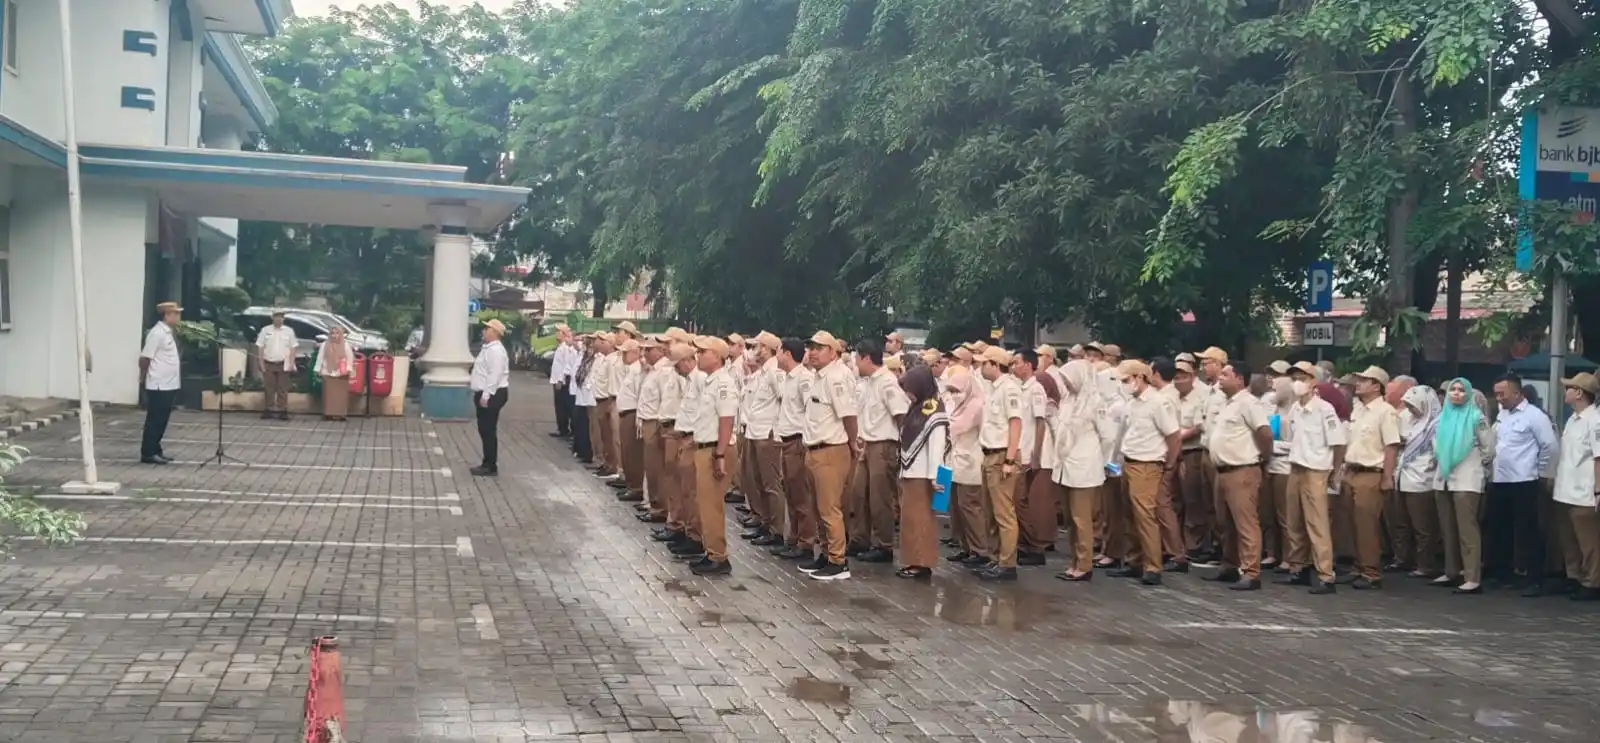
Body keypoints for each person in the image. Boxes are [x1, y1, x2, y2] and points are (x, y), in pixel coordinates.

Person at [1203, 361, 1272, 591]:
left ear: (1240, 379)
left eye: (1226, 374)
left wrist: (1264, 458)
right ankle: (1230, 564)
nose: (1220, 377)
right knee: (1226, 522)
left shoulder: (1249, 403)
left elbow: (1264, 433)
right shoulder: (1226, 403)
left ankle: (1251, 572)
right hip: (1222, 470)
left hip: (1242, 469)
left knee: (1246, 523)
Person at [1489, 373, 1560, 595]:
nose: (1498, 398)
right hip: (1500, 479)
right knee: (1500, 527)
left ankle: (1535, 577)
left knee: (1528, 529)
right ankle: (1504, 573)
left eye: (1503, 394)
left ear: (1517, 393)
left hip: (1524, 479)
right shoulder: (1502, 415)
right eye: (1496, 394)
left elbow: (1549, 446)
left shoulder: (1534, 416)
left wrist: (1540, 471)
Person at [1113, 359, 1181, 586]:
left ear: (1139, 377)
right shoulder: (1131, 403)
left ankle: (1153, 566)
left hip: (1148, 463)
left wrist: (1169, 464)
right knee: (1130, 515)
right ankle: (1134, 561)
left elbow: (1173, 435)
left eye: (1126, 380)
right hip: (1130, 462)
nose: (1123, 384)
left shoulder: (1157, 403)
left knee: (1145, 516)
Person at [1282, 361, 1346, 594]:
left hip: (1316, 470)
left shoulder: (1324, 409)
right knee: (1294, 520)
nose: (1297, 382)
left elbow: (1338, 443)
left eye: (1302, 377)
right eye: (1295, 377)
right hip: (1296, 467)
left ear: (1313, 381)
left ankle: (1325, 574)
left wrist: (1334, 471)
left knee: (1317, 524)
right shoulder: (1295, 408)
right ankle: (1298, 567)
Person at [800, 330, 859, 582]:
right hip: (814, 449)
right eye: (810, 346)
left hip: (830, 450)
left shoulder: (836, 377)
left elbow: (848, 415)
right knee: (817, 507)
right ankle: (825, 553)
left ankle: (838, 560)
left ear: (833, 352)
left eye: (819, 347)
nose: (812, 352)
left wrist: (853, 443)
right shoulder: (819, 376)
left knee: (829, 508)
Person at [849, 339, 910, 563]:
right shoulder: (867, 382)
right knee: (858, 494)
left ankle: (883, 545)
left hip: (883, 444)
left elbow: (901, 415)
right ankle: (859, 539)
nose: (855, 363)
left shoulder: (887, 382)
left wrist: (903, 447)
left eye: (857, 358)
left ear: (866, 358)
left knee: (879, 497)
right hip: (866, 443)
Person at [1051, 359, 1111, 581]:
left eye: (1068, 379)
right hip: (1065, 467)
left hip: (1085, 468)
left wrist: (1099, 461)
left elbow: (1108, 437)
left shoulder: (1096, 402)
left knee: (1081, 518)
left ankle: (1084, 564)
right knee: (1069, 519)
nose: (1066, 384)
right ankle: (1074, 560)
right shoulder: (1069, 401)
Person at [1434, 377, 1495, 594]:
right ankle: (1451, 571)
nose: (1456, 393)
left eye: (1461, 390)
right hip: (1444, 479)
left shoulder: (1477, 417)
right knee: (1448, 529)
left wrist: (1478, 465)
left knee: (1467, 530)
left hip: (1467, 478)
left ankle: (1472, 577)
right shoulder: (1442, 418)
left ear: (1468, 394)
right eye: (1453, 390)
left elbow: (1489, 449)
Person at [1343, 366, 1401, 589]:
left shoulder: (1385, 411)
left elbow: (1391, 446)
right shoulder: (1359, 410)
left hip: (1371, 473)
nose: (1358, 383)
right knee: (1353, 524)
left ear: (1377, 386)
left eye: (1364, 380)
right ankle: (1358, 566)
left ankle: (1371, 571)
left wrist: (1387, 477)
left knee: (1367, 525)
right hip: (1352, 470)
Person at [687, 335, 738, 576]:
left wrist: (719, 455)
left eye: (703, 352)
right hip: (705, 447)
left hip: (716, 449)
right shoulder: (710, 381)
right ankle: (711, 551)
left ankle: (719, 556)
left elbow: (726, 421)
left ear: (717, 356)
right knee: (705, 504)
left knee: (711, 506)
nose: (698, 356)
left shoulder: (724, 383)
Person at [975, 346, 1024, 581]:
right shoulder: (994, 389)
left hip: (1002, 454)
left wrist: (1010, 459)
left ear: (995, 364)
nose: (980, 367)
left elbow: (1015, 424)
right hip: (989, 454)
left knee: (1004, 513)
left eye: (984, 363)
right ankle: (995, 558)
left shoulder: (1010, 389)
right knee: (991, 512)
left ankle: (1007, 563)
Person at [896, 366, 949, 579]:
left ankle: (921, 562)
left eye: (909, 388)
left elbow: (937, 446)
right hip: (911, 472)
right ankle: (912, 560)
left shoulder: (934, 411)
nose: (907, 393)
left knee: (921, 520)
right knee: (910, 520)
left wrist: (936, 477)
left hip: (924, 476)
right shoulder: (917, 407)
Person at [1553, 372, 1600, 601]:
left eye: (1569, 388)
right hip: (1565, 489)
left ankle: (1592, 582)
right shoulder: (1573, 419)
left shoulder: (1596, 420)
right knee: (1568, 538)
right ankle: (1574, 576)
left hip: (1584, 491)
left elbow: (1598, 458)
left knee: (1588, 541)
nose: (1566, 391)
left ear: (1580, 393)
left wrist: (1598, 489)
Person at [771, 337, 817, 559]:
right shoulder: (788, 378)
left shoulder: (804, 379)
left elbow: (810, 410)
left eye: (778, 351)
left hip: (798, 441)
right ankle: (794, 537)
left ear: (788, 354)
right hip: (787, 440)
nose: (776, 356)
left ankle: (806, 542)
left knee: (800, 494)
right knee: (790, 491)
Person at [943, 366, 990, 566]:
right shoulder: (954, 405)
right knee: (955, 507)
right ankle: (965, 547)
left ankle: (979, 550)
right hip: (951, 461)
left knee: (970, 507)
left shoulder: (976, 405)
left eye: (957, 391)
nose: (954, 395)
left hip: (970, 461)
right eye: (951, 391)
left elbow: (957, 427)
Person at [1396, 385, 1442, 579]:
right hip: (1404, 477)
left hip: (1423, 480)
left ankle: (1425, 565)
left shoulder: (1436, 425)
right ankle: (1402, 559)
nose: (1410, 410)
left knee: (1422, 527)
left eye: (1413, 406)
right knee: (1402, 523)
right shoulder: (1412, 422)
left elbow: (1438, 453)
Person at [139, 301, 183, 465]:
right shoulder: (156, 333)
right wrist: (143, 378)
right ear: (167, 315)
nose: (178, 316)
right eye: (175, 313)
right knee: (155, 419)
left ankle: (156, 449)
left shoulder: (168, 332)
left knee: (162, 419)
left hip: (169, 383)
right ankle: (148, 452)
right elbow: (145, 358)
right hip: (158, 383)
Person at [468, 319, 511, 476]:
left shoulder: (496, 351)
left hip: (493, 393)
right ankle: (487, 462)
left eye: (487, 329)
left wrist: (486, 395)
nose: (484, 331)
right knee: (484, 429)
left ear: (494, 332)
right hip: (486, 392)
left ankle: (490, 465)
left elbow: (494, 375)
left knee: (488, 429)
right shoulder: (488, 348)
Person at [614, 339, 646, 499]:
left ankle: (636, 487)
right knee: (627, 452)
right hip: (626, 412)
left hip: (632, 413)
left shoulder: (638, 370)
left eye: (625, 353)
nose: (622, 356)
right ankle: (631, 484)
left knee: (633, 454)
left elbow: (640, 394)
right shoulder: (631, 369)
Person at [255, 310, 298, 420]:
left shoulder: (289, 331)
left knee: (282, 388)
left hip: (283, 363)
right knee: (269, 388)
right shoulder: (265, 330)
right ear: (272, 318)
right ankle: (268, 409)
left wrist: (291, 364)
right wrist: (261, 363)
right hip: (268, 363)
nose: (279, 319)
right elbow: (260, 347)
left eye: (281, 317)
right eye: (277, 316)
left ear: (284, 319)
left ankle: (282, 410)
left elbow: (293, 348)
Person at [315, 326, 357, 422]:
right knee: (328, 396)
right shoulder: (324, 345)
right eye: (332, 333)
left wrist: (348, 369)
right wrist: (317, 370)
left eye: (337, 333)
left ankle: (341, 414)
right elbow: (320, 358)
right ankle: (328, 414)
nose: (334, 335)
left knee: (340, 396)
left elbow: (350, 359)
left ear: (341, 334)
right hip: (327, 372)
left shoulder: (345, 345)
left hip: (341, 374)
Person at [570, 336, 599, 466]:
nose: (588, 348)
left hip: (590, 397)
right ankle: (581, 450)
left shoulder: (596, 359)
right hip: (581, 395)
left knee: (587, 427)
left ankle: (588, 453)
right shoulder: (585, 358)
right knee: (579, 423)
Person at [549, 324, 578, 438]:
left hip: (562, 381)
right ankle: (562, 428)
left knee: (564, 406)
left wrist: (560, 380)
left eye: (558, 331)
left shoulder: (566, 348)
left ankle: (565, 429)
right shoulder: (561, 347)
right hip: (556, 379)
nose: (556, 333)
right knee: (559, 406)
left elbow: (566, 365)